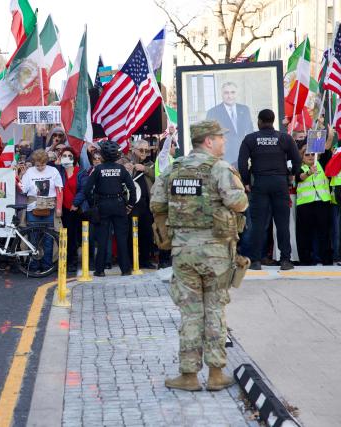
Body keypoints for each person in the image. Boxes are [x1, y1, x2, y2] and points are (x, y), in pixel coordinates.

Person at [150, 120, 249, 392]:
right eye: (220, 138)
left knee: (191, 313)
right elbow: (239, 203)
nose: (223, 142)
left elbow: (156, 202)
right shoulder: (220, 169)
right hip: (216, 251)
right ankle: (216, 374)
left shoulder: (174, 168)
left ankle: (189, 376)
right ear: (208, 141)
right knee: (215, 309)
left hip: (184, 251)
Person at [237, 109, 301, 270]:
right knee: (282, 223)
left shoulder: (250, 139)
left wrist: (246, 182)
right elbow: (297, 160)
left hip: (259, 183)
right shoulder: (284, 138)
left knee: (257, 224)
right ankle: (285, 261)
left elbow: (242, 163)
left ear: (259, 121)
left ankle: (256, 261)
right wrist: (292, 174)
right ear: (273, 121)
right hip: (280, 183)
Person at [83, 141, 137, 276]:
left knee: (102, 239)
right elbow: (132, 188)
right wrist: (130, 205)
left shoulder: (98, 170)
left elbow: (87, 190)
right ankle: (125, 269)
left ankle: (100, 270)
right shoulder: (121, 169)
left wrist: (93, 206)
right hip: (119, 205)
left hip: (103, 205)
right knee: (121, 238)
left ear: (102, 155)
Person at [19, 149, 63, 271]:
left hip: (49, 207)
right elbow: (23, 190)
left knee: (49, 238)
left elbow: (59, 190)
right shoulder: (29, 172)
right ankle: (34, 266)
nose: (40, 167)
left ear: (46, 162)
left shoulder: (53, 171)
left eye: (42, 165)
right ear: (34, 163)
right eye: (37, 165)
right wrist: (21, 177)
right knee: (34, 238)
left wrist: (59, 207)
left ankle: (47, 265)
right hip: (33, 208)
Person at [295, 142, 333, 265]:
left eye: (312, 154)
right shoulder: (299, 167)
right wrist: (308, 173)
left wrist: (329, 135)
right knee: (305, 234)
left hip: (322, 203)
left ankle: (326, 260)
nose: (311, 156)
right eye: (307, 155)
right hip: (305, 205)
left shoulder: (321, 164)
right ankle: (306, 260)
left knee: (324, 233)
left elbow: (327, 149)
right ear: (302, 156)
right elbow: (298, 177)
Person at [205, 81, 254, 164]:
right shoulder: (212, 112)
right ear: (222, 94)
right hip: (223, 159)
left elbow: (250, 131)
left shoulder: (245, 109)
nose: (230, 96)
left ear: (237, 94)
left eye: (232, 92)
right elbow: (208, 137)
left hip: (243, 156)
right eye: (226, 93)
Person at [128, 140, 156, 269]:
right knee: (131, 233)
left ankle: (145, 259)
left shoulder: (150, 164)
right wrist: (130, 168)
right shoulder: (127, 163)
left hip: (146, 203)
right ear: (134, 150)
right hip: (132, 205)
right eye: (141, 150)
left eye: (146, 150)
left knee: (147, 233)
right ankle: (132, 260)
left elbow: (157, 177)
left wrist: (144, 169)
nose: (144, 153)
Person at [58, 147, 81, 272]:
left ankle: (73, 261)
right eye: (64, 155)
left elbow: (83, 189)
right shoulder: (58, 171)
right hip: (62, 208)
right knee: (63, 235)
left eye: (69, 155)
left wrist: (76, 203)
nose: (66, 157)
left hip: (75, 208)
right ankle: (63, 259)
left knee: (73, 236)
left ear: (74, 158)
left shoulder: (79, 171)